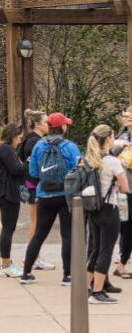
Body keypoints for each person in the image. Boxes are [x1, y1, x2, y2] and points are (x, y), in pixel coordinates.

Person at [20, 112, 81, 285]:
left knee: (39, 234)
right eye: (66, 124)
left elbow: (32, 172)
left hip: (44, 194)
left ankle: (26, 273)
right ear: (62, 127)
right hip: (66, 195)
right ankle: (67, 275)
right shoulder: (70, 146)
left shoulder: (39, 145)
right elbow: (79, 168)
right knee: (67, 235)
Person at [85, 125, 128, 304]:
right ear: (109, 139)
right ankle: (97, 292)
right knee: (106, 251)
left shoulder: (89, 159)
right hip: (109, 209)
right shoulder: (112, 161)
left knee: (95, 249)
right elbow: (125, 187)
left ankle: (87, 288)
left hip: (93, 208)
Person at [0, 123, 28, 277]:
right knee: (8, 229)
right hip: (7, 193)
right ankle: (6, 264)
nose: (19, 141)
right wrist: (29, 162)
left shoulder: (1, 148)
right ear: (12, 136)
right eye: (19, 138)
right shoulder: (5, 149)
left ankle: (7, 263)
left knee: (8, 228)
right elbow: (16, 170)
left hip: (3, 192)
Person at [18, 109, 55, 271]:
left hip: (32, 185)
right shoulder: (34, 141)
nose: (49, 125)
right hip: (34, 185)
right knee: (36, 223)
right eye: (46, 122)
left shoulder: (32, 139)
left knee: (37, 222)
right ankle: (32, 257)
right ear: (38, 124)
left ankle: (33, 256)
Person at [111, 108, 132, 280]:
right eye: (125, 115)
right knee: (126, 225)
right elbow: (110, 156)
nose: (127, 118)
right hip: (124, 187)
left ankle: (122, 261)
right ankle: (122, 262)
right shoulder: (120, 137)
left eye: (130, 116)